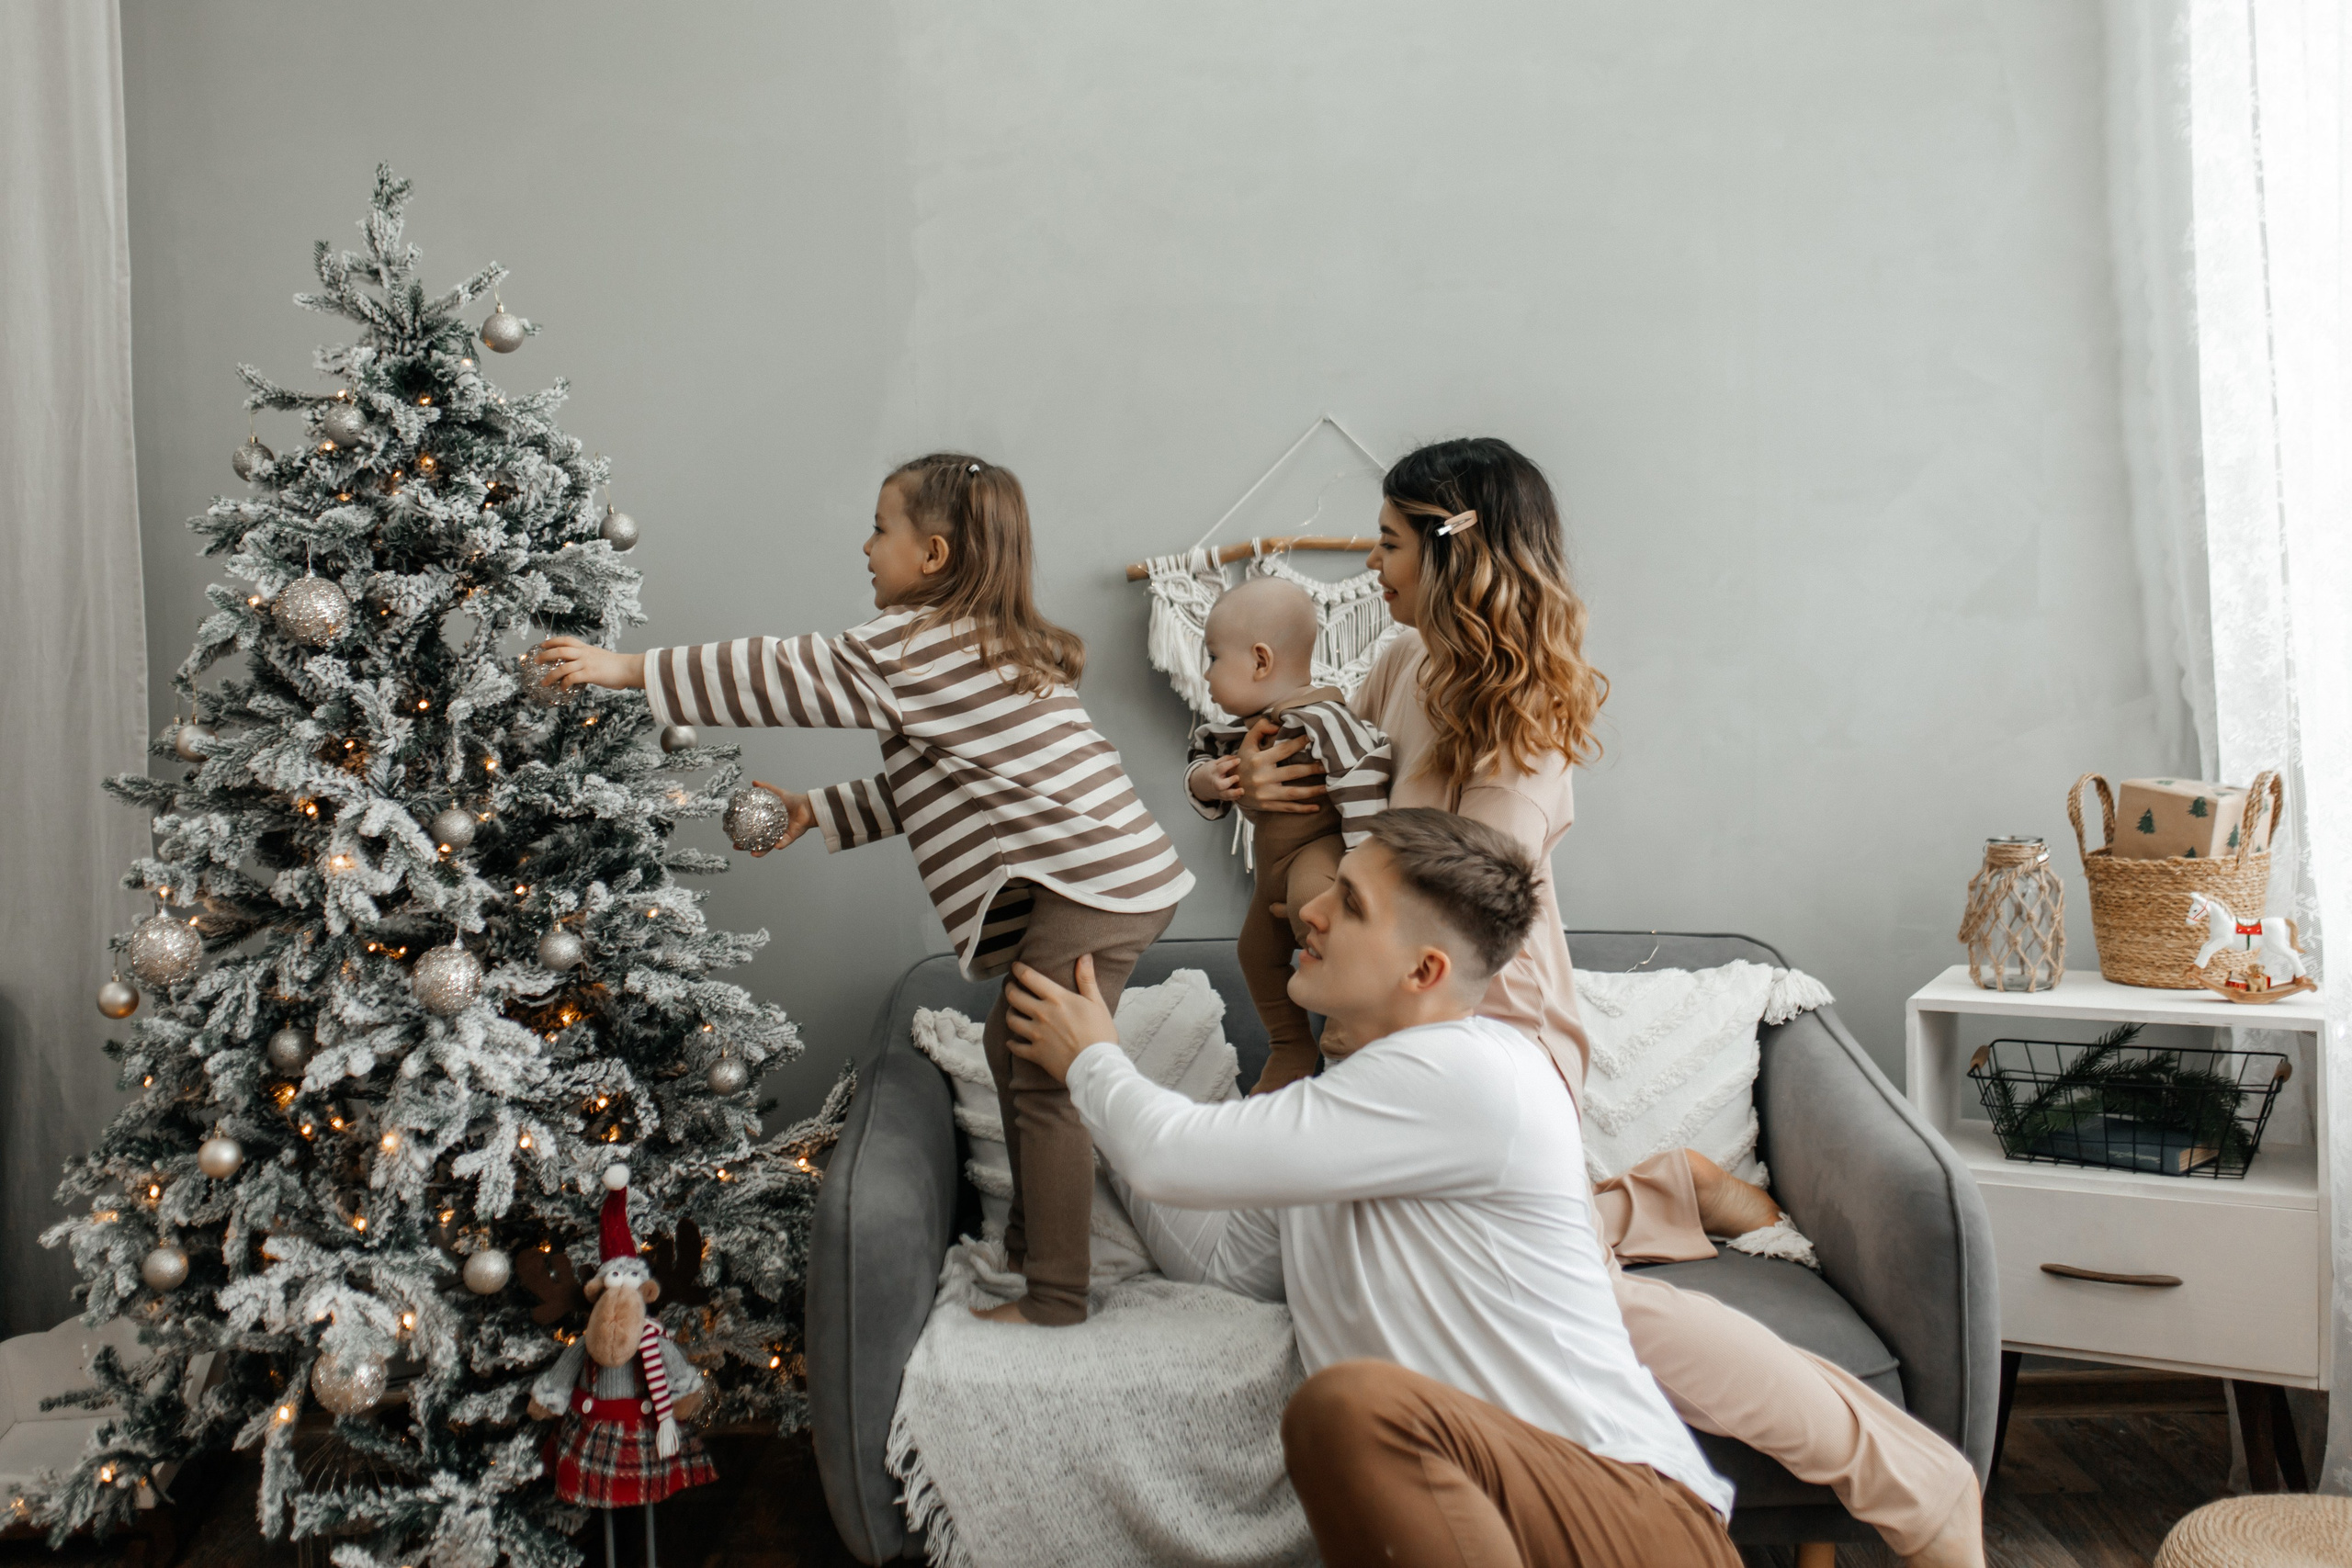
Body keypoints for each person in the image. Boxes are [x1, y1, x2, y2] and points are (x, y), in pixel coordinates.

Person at [1216, 437, 1984, 1568]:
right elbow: (1330, 767)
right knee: (1443, 1277)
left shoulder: (1519, 719)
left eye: (1386, 544)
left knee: (1586, 1307)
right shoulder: (1401, 662)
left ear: (1451, 552)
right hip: (1398, 1018)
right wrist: (1242, 783)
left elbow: (1464, 907)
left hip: (1494, 1024)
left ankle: (1917, 1482)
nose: (1369, 569)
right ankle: (1670, 1192)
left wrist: (1338, 910)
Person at [535, 453, 1191, 1326]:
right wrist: (819, 809)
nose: (866, 546)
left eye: (881, 529)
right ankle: (1033, 1248)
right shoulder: (978, 646)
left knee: (1041, 1074)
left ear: (933, 554)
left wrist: (630, 671)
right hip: (1111, 875)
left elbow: (780, 672)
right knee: (1015, 1050)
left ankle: (1058, 1294)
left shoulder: (914, 647)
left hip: (1092, 884)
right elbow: (939, 786)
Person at [1004, 808, 1739, 1568]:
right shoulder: (1342, 1117)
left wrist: (1093, 1063)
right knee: (1345, 1409)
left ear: (1424, 972)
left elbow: (1168, 1154)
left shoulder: (1473, 1068)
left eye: (1350, 903)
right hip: (1485, 1517)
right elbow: (1224, 1264)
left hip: (1625, 1513)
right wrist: (1093, 1112)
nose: (1310, 911)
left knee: (1348, 1407)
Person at [1183, 575, 1392, 1091]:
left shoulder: (1325, 720)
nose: (1205, 673)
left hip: (1314, 856)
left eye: (1213, 657)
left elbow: (1365, 776)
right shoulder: (1237, 729)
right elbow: (1199, 758)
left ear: (1260, 661)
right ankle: (1290, 1044)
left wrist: (1362, 866)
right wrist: (1207, 780)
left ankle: (1359, 1029)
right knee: (1254, 953)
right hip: (1269, 873)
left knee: (1314, 912)